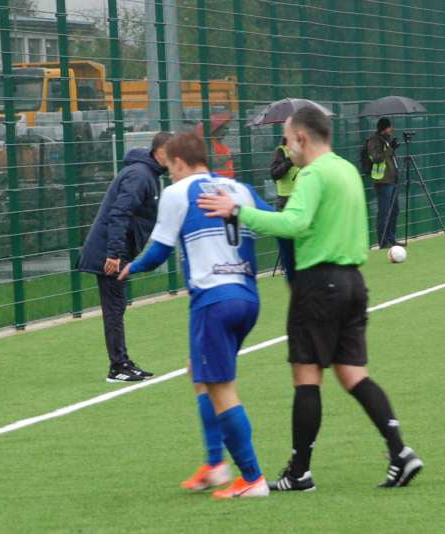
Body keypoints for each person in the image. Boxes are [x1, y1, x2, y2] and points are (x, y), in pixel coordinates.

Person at [198, 107, 423, 491]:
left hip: (319, 284)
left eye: (287, 139)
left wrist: (238, 211)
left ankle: (299, 471)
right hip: (353, 282)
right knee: (353, 374)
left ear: (301, 137)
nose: (286, 147)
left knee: (306, 377)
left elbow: (293, 224)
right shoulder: (346, 170)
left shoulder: (313, 174)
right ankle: (399, 452)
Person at [118, 132, 274, 499]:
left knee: (222, 390)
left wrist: (132, 267)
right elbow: (275, 223)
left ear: (179, 163)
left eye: (170, 168)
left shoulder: (178, 192)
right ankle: (215, 464)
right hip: (248, 299)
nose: (169, 175)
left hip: (213, 301)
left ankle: (252, 478)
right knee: (199, 372)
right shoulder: (239, 189)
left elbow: (158, 251)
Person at [78, 132, 172, 382]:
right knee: (114, 309)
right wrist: (114, 254)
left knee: (117, 308)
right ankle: (117, 366)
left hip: (117, 253)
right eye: (172, 154)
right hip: (109, 255)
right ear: (160, 152)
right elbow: (119, 214)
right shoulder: (140, 175)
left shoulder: (148, 174)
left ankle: (122, 362)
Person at [366, 117, 400, 248]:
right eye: (390, 127)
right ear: (384, 128)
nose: (392, 129)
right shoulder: (374, 141)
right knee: (384, 212)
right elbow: (377, 158)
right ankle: (383, 241)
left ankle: (391, 239)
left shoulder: (386, 141)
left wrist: (392, 148)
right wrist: (389, 149)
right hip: (383, 181)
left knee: (394, 210)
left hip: (392, 180)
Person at [269, 137, 298, 277]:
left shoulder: (304, 151)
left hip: (302, 197)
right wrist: (290, 161)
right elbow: (274, 174)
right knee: (287, 234)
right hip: (286, 199)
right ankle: (286, 266)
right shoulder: (281, 151)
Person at [196, 113, 235, 179]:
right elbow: (212, 160)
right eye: (224, 129)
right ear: (215, 130)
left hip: (225, 178)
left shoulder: (217, 142)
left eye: (227, 129)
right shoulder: (209, 143)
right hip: (217, 179)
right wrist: (228, 157)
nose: (226, 132)